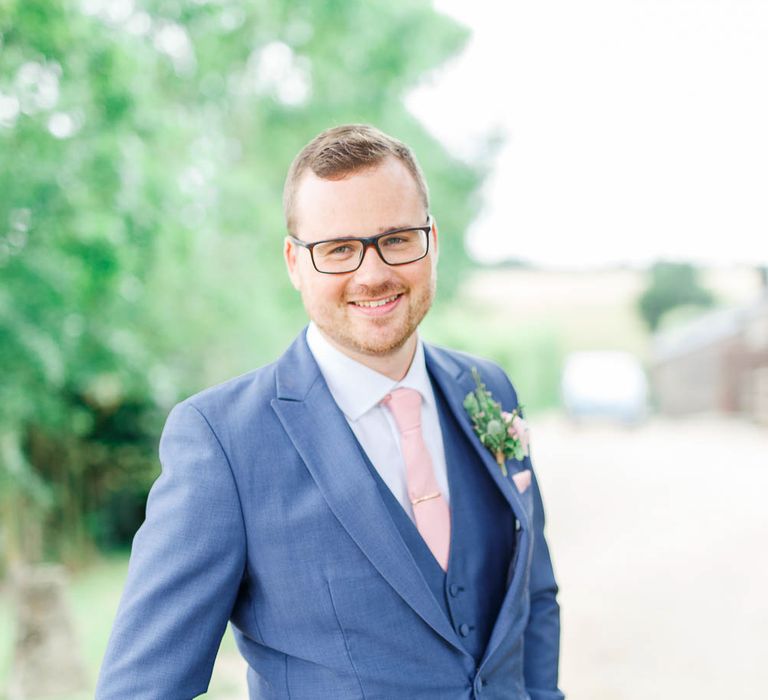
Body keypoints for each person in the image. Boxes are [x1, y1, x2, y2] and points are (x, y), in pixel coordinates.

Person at [96, 124, 563, 699]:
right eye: (338, 249)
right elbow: (141, 688)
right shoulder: (222, 442)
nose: (372, 274)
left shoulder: (487, 389)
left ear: (433, 241)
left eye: (396, 238)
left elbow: (533, 597)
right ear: (294, 263)